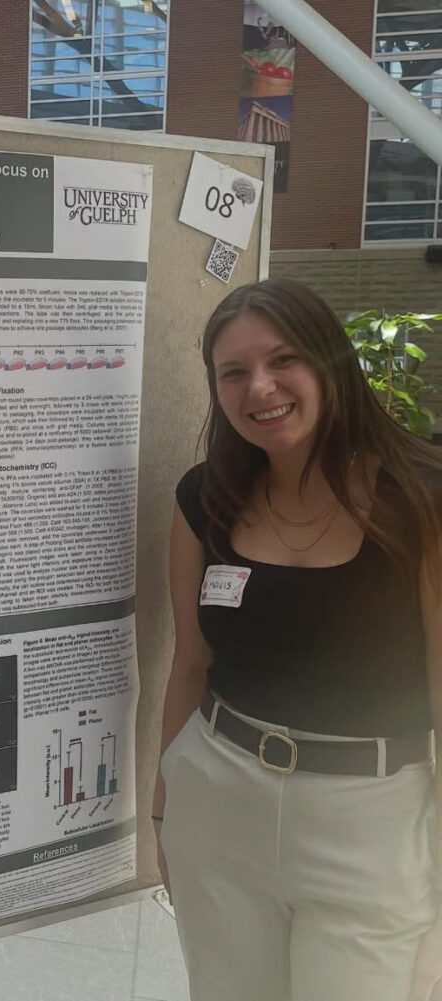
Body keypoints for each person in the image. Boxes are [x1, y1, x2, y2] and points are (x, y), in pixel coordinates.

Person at [152, 277, 442, 1001]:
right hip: (218, 797)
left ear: (330, 361)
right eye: (234, 371)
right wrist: (163, 808)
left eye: (283, 360)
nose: (261, 387)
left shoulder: (421, 498)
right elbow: (190, 663)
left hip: (370, 819)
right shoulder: (205, 498)